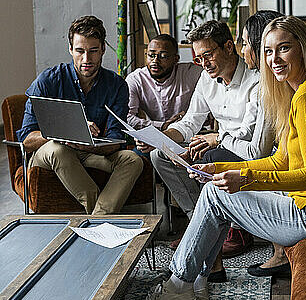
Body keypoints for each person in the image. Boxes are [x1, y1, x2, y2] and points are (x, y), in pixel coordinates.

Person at [132, 15, 306, 300]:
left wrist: (246, 181)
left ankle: (179, 285)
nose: (273, 58)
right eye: (268, 51)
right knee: (215, 189)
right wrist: (235, 171)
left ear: (303, 48)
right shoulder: (302, 91)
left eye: (283, 49)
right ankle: (197, 281)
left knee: (215, 196)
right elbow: (282, 160)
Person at [148, 19, 270, 259]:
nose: (204, 64)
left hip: (245, 150)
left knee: (209, 154)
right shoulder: (206, 79)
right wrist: (163, 138)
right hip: (218, 143)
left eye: (208, 55)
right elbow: (191, 121)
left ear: (227, 47)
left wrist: (214, 139)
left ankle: (237, 231)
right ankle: (200, 224)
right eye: (198, 59)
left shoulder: (255, 81)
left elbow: (247, 134)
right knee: (159, 155)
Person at [17, 15, 143, 215]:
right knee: (58, 149)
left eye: (93, 51)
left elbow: (116, 139)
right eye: (80, 51)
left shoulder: (116, 85)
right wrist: (69, 131)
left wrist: (90, 142)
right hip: (51, 154)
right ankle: (101, 217)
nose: (86, 59)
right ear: (70, 50)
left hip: (91, 152)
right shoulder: (48, 81)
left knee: (132, 159)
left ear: (103, 49)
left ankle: (98, 219)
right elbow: (27, 139)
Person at [126, 33, 202, 131]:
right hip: (154, 135)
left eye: (163, 56)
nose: (155, 61)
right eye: (151, 55)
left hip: (190, 133)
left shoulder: (190, 73)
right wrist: (162, 125)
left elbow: (215, 81)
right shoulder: (136, 79)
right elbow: (127, 117)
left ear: (176, 59)